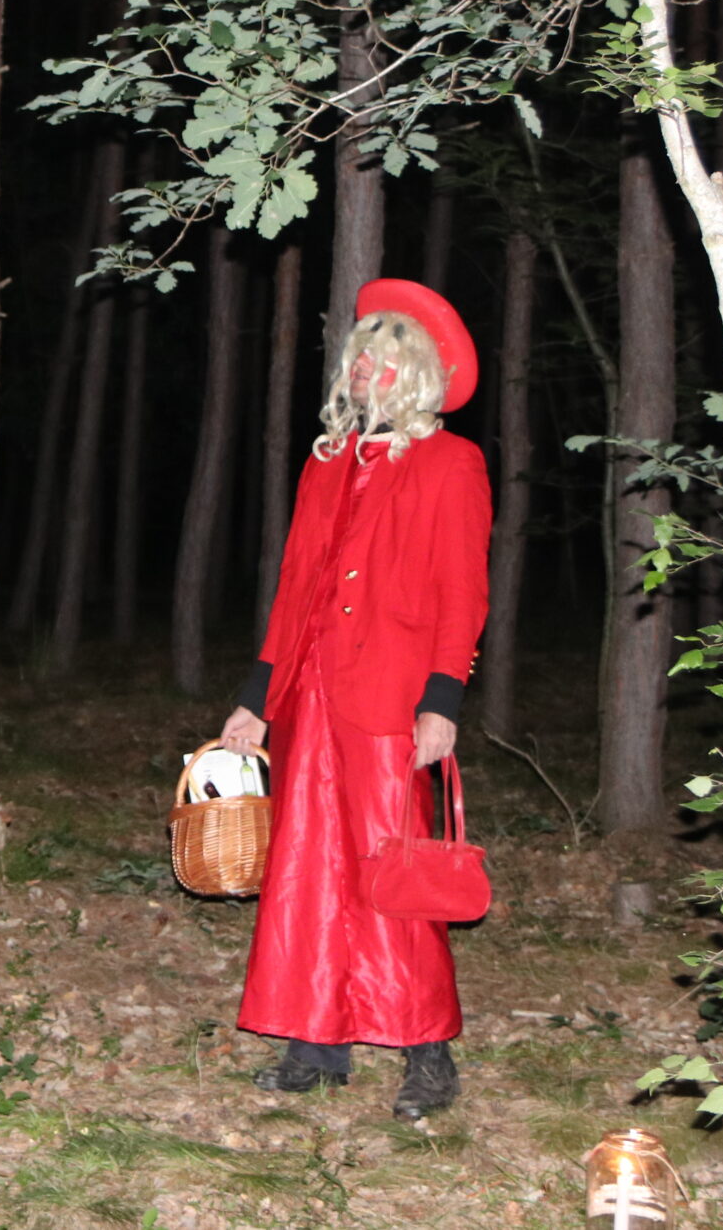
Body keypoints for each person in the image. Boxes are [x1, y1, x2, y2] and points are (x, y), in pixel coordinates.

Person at [216, 278, 491, 1123]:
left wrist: (442, 699)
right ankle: (315, 1040)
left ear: (420, 372)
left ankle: (427, 1051)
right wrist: (257, 698)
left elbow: (463, 592)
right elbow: (295, 584)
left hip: (393, 700)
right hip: (313, 696)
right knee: (307, 868)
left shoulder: (451, 462)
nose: (365, 365)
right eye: (360, 352)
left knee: (392, 872)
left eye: (385, 354)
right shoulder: (328, 459)